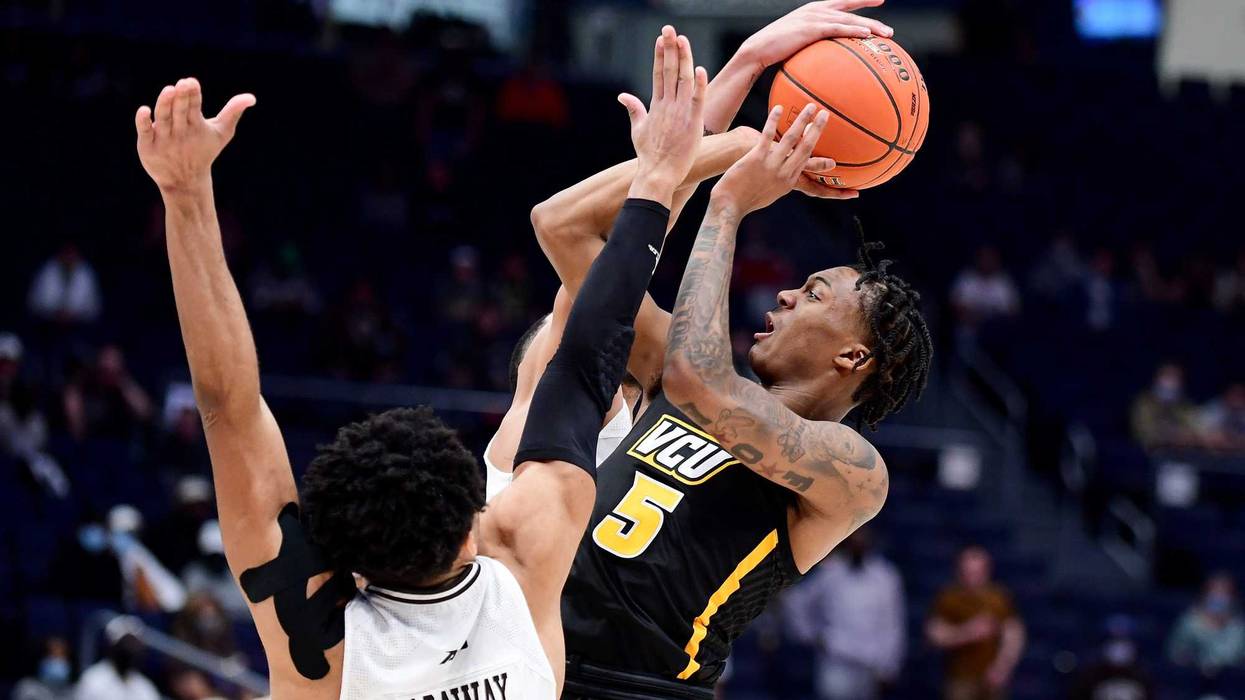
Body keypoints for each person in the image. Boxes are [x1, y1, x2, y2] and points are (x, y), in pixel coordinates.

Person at [132, 21, 705, 697]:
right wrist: (661, 175)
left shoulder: (322, 650)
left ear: (343, 562)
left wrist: (184, 192)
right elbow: (587, 353)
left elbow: (229, 407)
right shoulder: (523, 557)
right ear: (473, 527)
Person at [538, 6, 933, 697]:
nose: (782, 296)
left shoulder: (849, 471)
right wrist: (741, 115)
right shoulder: (677, 370)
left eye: (812, 295)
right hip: (529, 654)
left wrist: (728, 205)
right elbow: (563, 227)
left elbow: (700, 380)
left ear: (851, 359)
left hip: (636, 687)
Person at [784, 529, 905, 700]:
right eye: (854, 537)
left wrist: (890, 666)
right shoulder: (831, 571)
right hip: (836, 660)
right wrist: (810, 634)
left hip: (869, 663)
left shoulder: (885, 576)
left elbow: (892, 624)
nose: (858, 542)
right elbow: (796, 600)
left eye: (862, 537)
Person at [926, 547, 1026, 700]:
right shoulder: (948, 598)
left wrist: (1002, 667)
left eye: (977, 572)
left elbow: (1014, 634)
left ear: (987, 571)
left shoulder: (999, 598)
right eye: (967, 572)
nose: (972, 578)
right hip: (959, 680)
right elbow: (935, 635)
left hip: (993, 679)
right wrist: (966, 633)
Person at [1168, 572, 1245, 676]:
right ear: (1205, 594)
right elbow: (1175, 653)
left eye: (1224, 593)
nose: (1219, 597)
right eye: (1214, 591)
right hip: (1193, 678)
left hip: (1231, 682)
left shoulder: (1239, 628)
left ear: (1233, 597)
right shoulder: (1189, 622)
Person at [1070, 615, 1154, 700]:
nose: (1119, 649)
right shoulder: (1090, 676)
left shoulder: (1143, 676)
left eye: (1123, 642)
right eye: (1114, 641)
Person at [74, 618, 160, 700]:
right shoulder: (93, 680)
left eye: (135, 644)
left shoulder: (144, 687)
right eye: (127, 643)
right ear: (112, 646)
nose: (131, 649)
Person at [1130, 362, 1202, 451]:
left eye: (1175, 378)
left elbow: (1196, 426)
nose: (1171, 382)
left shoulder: (1183, 405)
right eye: (1168, 376)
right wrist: (1176, 436)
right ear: (1157, 379)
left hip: (1186, 453)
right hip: (1153, 455)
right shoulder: (1144, 404)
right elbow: (1146, 433)